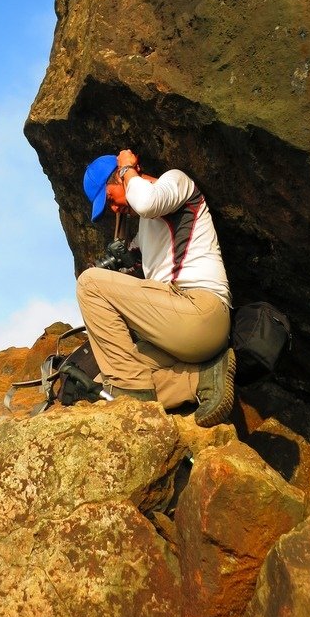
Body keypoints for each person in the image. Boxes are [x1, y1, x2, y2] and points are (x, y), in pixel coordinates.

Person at [77, 148, 235, 426]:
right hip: (176, 329)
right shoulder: (145, 232)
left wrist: (127, 169)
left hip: (201, 310)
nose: (114, 210)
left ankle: (132, 397)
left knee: (88, 285)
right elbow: (132, 273)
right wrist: (122, 261)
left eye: (110, 199)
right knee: (102, 381)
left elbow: (147, 203)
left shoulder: (176, 182)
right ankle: (200, 379)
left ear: (121, 177)